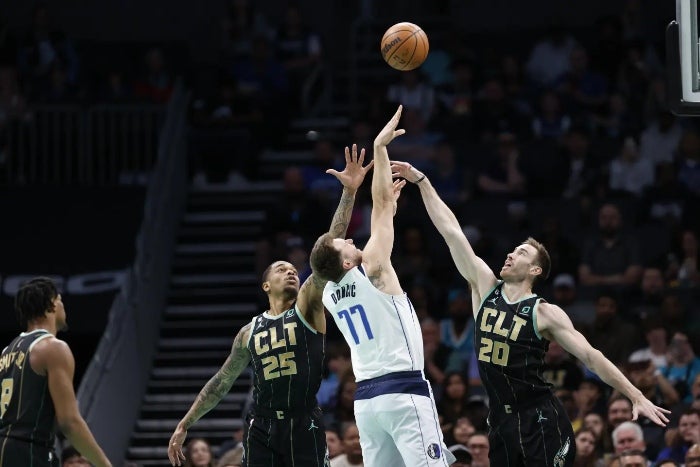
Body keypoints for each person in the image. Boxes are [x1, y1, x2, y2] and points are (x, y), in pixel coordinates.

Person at [389, 160, 671, 466]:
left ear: (535, 270)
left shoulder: (544, 313)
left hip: (541, 417)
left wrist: (636, 395)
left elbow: (591, 357)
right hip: (499, 418)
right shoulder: (484, 287)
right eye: (513, 250)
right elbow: (451, 231)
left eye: (521, 253)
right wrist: (422, 181)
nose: (510, 254)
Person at [167, 144, 374, 466]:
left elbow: (330, 246)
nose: (291, 271)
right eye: (281, 269)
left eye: (293, 269)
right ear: (266, 285)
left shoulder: (307, 306)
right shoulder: (249, 332)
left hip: (302, 420)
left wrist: (349, 192)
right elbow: (221, 382)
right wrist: (185, 423)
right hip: (261, 423)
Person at [310, 106, 455, 466]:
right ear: (345, 262)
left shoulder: (328, 290)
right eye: (344, 244)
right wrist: (379, 148)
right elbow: (380, 205)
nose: (349, 240)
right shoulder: (372, 268)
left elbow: (368, 221)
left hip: (366, 402)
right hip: (403, 391)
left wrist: (379, 207)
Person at [0, 277, 111, 467]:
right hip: (29, 453)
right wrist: (105, 464)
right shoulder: (53, 348)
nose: (63, 307)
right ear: (51, 304)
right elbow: (69, 422)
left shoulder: (6, 351)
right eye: (60, 301)